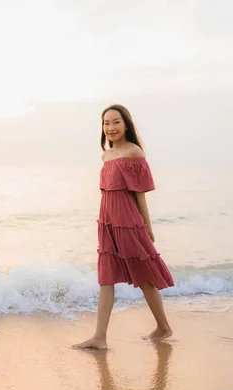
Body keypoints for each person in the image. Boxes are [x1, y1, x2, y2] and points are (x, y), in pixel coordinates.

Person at [74, 104, 174, 350]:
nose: (111, 128)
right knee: (105, 277)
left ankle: (163, 327)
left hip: (129, 221)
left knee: (144, 276)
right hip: (107, 220)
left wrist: (147, 228)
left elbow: (140, 196)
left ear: (126, 124)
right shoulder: (105, 155)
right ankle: (100, 337)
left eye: (116, 122)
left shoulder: (134, 152)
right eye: (106, 123)